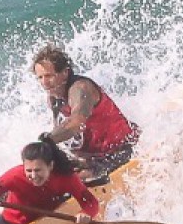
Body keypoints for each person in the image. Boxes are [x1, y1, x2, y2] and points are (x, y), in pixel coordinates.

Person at [31, 43, 141, 178]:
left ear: (65, 73)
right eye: (40, 77)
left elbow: (75, 123)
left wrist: (47, 141)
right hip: (93, 160)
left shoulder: (81, 89)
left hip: (124, 150)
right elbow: (62, 133)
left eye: (49, 76)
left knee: (75, 178)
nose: (44, 83)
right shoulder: (53, 98)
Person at [0, 140, 101, 224]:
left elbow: (91, 203)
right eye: (29, 171)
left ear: (50, 166)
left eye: (38, 170)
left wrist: (85, 214)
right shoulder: (15, 175)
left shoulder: (66, 178)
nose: (33, 176)